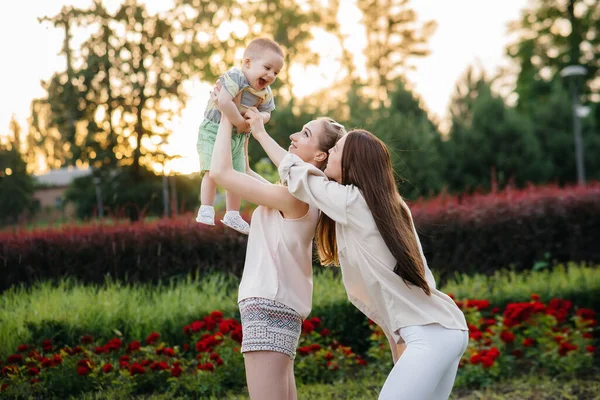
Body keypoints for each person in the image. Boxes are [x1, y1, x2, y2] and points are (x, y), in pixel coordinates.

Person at [245, 109, 469, 400]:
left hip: (431, 337)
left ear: (351, 162)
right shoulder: (387, 205)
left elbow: (298, 174)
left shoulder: (354, 203)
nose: (329, 153)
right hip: (445, 330)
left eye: (335, 149)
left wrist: (260, 133)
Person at [209, 89, 346, 399]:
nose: (295, 135)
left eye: (306, 133)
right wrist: (237, 117)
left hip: (268, 307)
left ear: (320, 156)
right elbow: (241, 171)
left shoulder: (296, 196)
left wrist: (224, 114)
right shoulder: (297, 194)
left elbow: (221, 173)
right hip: (277, 307)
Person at [195, 37, 284, 234]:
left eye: (275, 73)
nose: (270, 75)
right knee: (212, 169)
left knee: (237, 174)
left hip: (238, 136)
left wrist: (259, 117)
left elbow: (268, 113)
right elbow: (224, 103)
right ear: (247, 63)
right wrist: (241, 123)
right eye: (267, 68)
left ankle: (232, 214)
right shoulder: (235, 77)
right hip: (213, 130)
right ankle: (206, 208)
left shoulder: (265, 91)